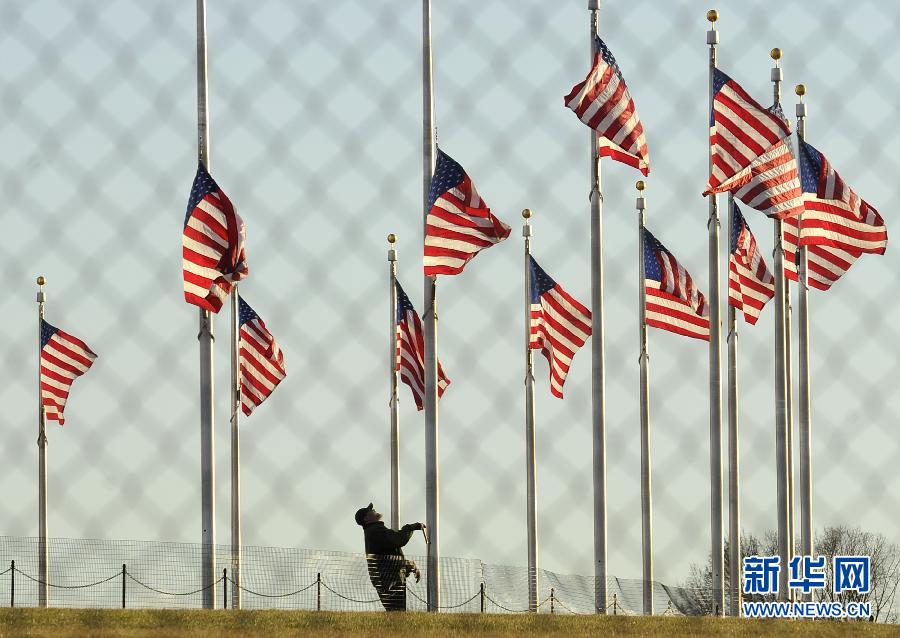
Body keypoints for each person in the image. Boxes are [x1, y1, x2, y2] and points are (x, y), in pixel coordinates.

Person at [355, 503, 423, 611]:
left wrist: (409, 565)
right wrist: (411, 527)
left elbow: (389, 558)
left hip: (388, 579)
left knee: (396, 614)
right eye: (370, 511)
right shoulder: (376, 531)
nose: (374, 510)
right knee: (397, 613)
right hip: (389, 580)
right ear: (366, 518)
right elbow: (398, 540)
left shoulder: (374, 531)